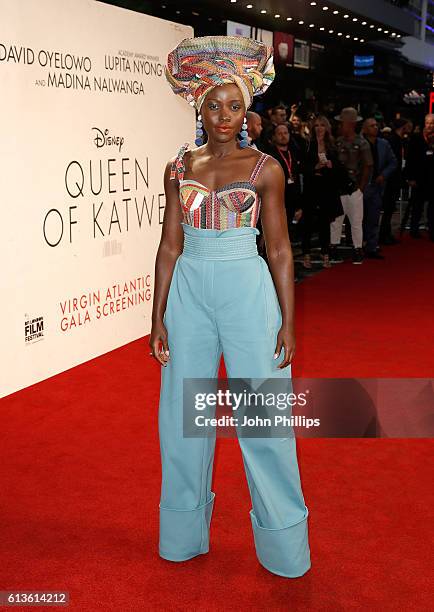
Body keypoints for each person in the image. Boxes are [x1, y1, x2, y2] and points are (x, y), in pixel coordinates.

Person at [152, 35, 311, 579]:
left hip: (248, 287)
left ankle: (283, 546)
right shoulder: (179, 166)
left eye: (234, 104)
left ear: (248, 109)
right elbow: (169, 245)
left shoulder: (266, 168)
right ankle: (181, 535)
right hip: (190, 291)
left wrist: (289, 321)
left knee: (262, 414)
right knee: (181, 415)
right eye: (214, 105)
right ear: (199, 105)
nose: (224, 115)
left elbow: (282, 249)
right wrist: (157, 318)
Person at [301, 115, 346, 268]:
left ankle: (325, 253)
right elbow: (301, 168)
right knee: (307, 223)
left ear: (327, 128)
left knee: (325, 223)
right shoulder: (307, 145)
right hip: (311, 189)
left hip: (327, 189)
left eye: (322, 125)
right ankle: (306, 254)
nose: (319, 128)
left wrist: (332, 166)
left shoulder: (332, 146)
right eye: (317, 125)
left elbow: (341, 170)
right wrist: (315, 167)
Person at [330, 107, 373, 264]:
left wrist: (361, 187)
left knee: (356, 221)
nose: (341, 125)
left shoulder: (362, 143)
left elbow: (368, 166)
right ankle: (333, 247)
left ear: (351, 124)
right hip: (339, 187)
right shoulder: (337, 142)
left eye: (344, 123)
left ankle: (357, 249)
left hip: (354, 187)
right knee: (335, 220)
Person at [361, 117, 397, 259]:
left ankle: (371, 246)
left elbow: (393, 162)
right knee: (358, 218)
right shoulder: (359, 142)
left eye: (376, 125)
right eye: (371, 125)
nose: (375, 128)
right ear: (364, 128)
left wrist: (384, 175)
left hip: (377, 186)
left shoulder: (384, 144)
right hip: (361, 186)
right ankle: (358, 245)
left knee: (374, 217)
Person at [267, 123, 303, 244]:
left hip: (293, 200)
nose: (283, 136)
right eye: (280, 133)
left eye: (285, 133)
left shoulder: (294, 153)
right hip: (277, 201)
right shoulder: (270, 156)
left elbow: (298, 179)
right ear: (274, 137)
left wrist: (299, 205)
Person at [379, 118, 413, 245]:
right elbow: (392, 161)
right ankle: (383, 234)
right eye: (407, 126)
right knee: (388, 208)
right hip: (390, 179)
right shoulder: (393, 140)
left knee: (390, 208)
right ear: (403, 127)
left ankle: (386, 233)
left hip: (395, 178)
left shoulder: (399, 140)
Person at [405, 113, 434, 240]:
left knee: (433, 207)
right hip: (418, 178)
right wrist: (410, 178)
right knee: (417, 205)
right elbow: (410, 158)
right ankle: (414, 229)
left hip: (433, 178)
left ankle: (432, 229)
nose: (429, 126)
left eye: (432, 123)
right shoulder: (416, 138)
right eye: (427, 123)